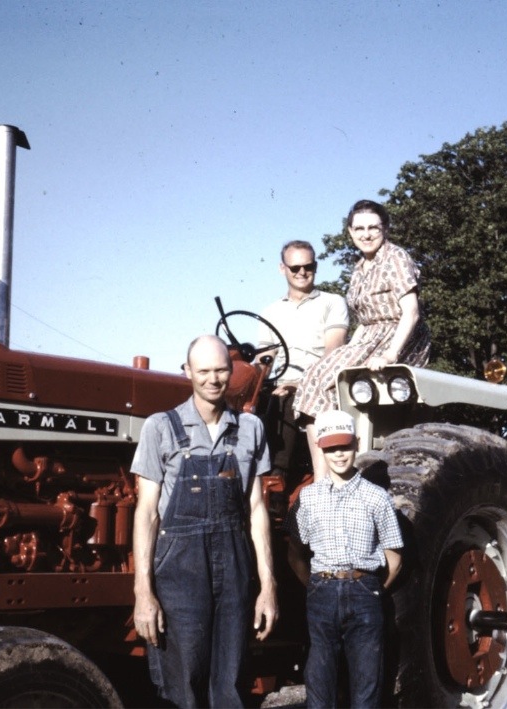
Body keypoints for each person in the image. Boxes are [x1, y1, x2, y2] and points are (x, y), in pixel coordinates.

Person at [132, 334, 278, 708]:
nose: (213, 380)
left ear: (232, 372)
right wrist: (143, 593)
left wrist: (267, 585)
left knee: (230, 681)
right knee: (184, 679)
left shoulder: (250, 429)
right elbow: (147, 512)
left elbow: (257, 508)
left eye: (220, 371)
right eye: (204, 371)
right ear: (187, 372)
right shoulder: (160, 428)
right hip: (179, 570)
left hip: (234, 565)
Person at [294, 200, 430, 475]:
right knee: (313, 377)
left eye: (373, 228)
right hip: (368, 336)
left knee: (323, 381)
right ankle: (324, 476)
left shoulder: (396, 257)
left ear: (386, 229)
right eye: (359, 228)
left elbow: (411, 312)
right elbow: (364, 320)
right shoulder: (359, 268)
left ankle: (331, 475)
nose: (366, 234)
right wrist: (349, 349)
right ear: (350, 231)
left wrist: (390, 354)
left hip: (398, 335)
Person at [286, 410, 403, 708]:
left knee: (368, 679)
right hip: (321, 591)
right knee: (320, 677)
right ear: (322, 450)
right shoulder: (308, 498)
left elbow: (394, 556)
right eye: (331, 448)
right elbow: (296, 553)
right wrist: (316, 584)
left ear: (356, 444)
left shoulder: (376, 497)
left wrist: (372, 589)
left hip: (365, 591)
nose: (339, 455)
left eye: (345, 446)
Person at [257, 240, 348, 479]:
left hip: (319, 384)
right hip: (280, 383)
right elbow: (264, 359)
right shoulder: (271, 311)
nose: (302, 273)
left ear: (315, 266)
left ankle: (277, 481)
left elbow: (333, 354)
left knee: (286, 400)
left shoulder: (332, 302)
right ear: (282, 268)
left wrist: (299, 384)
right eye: (295, 268)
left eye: (308, 266)